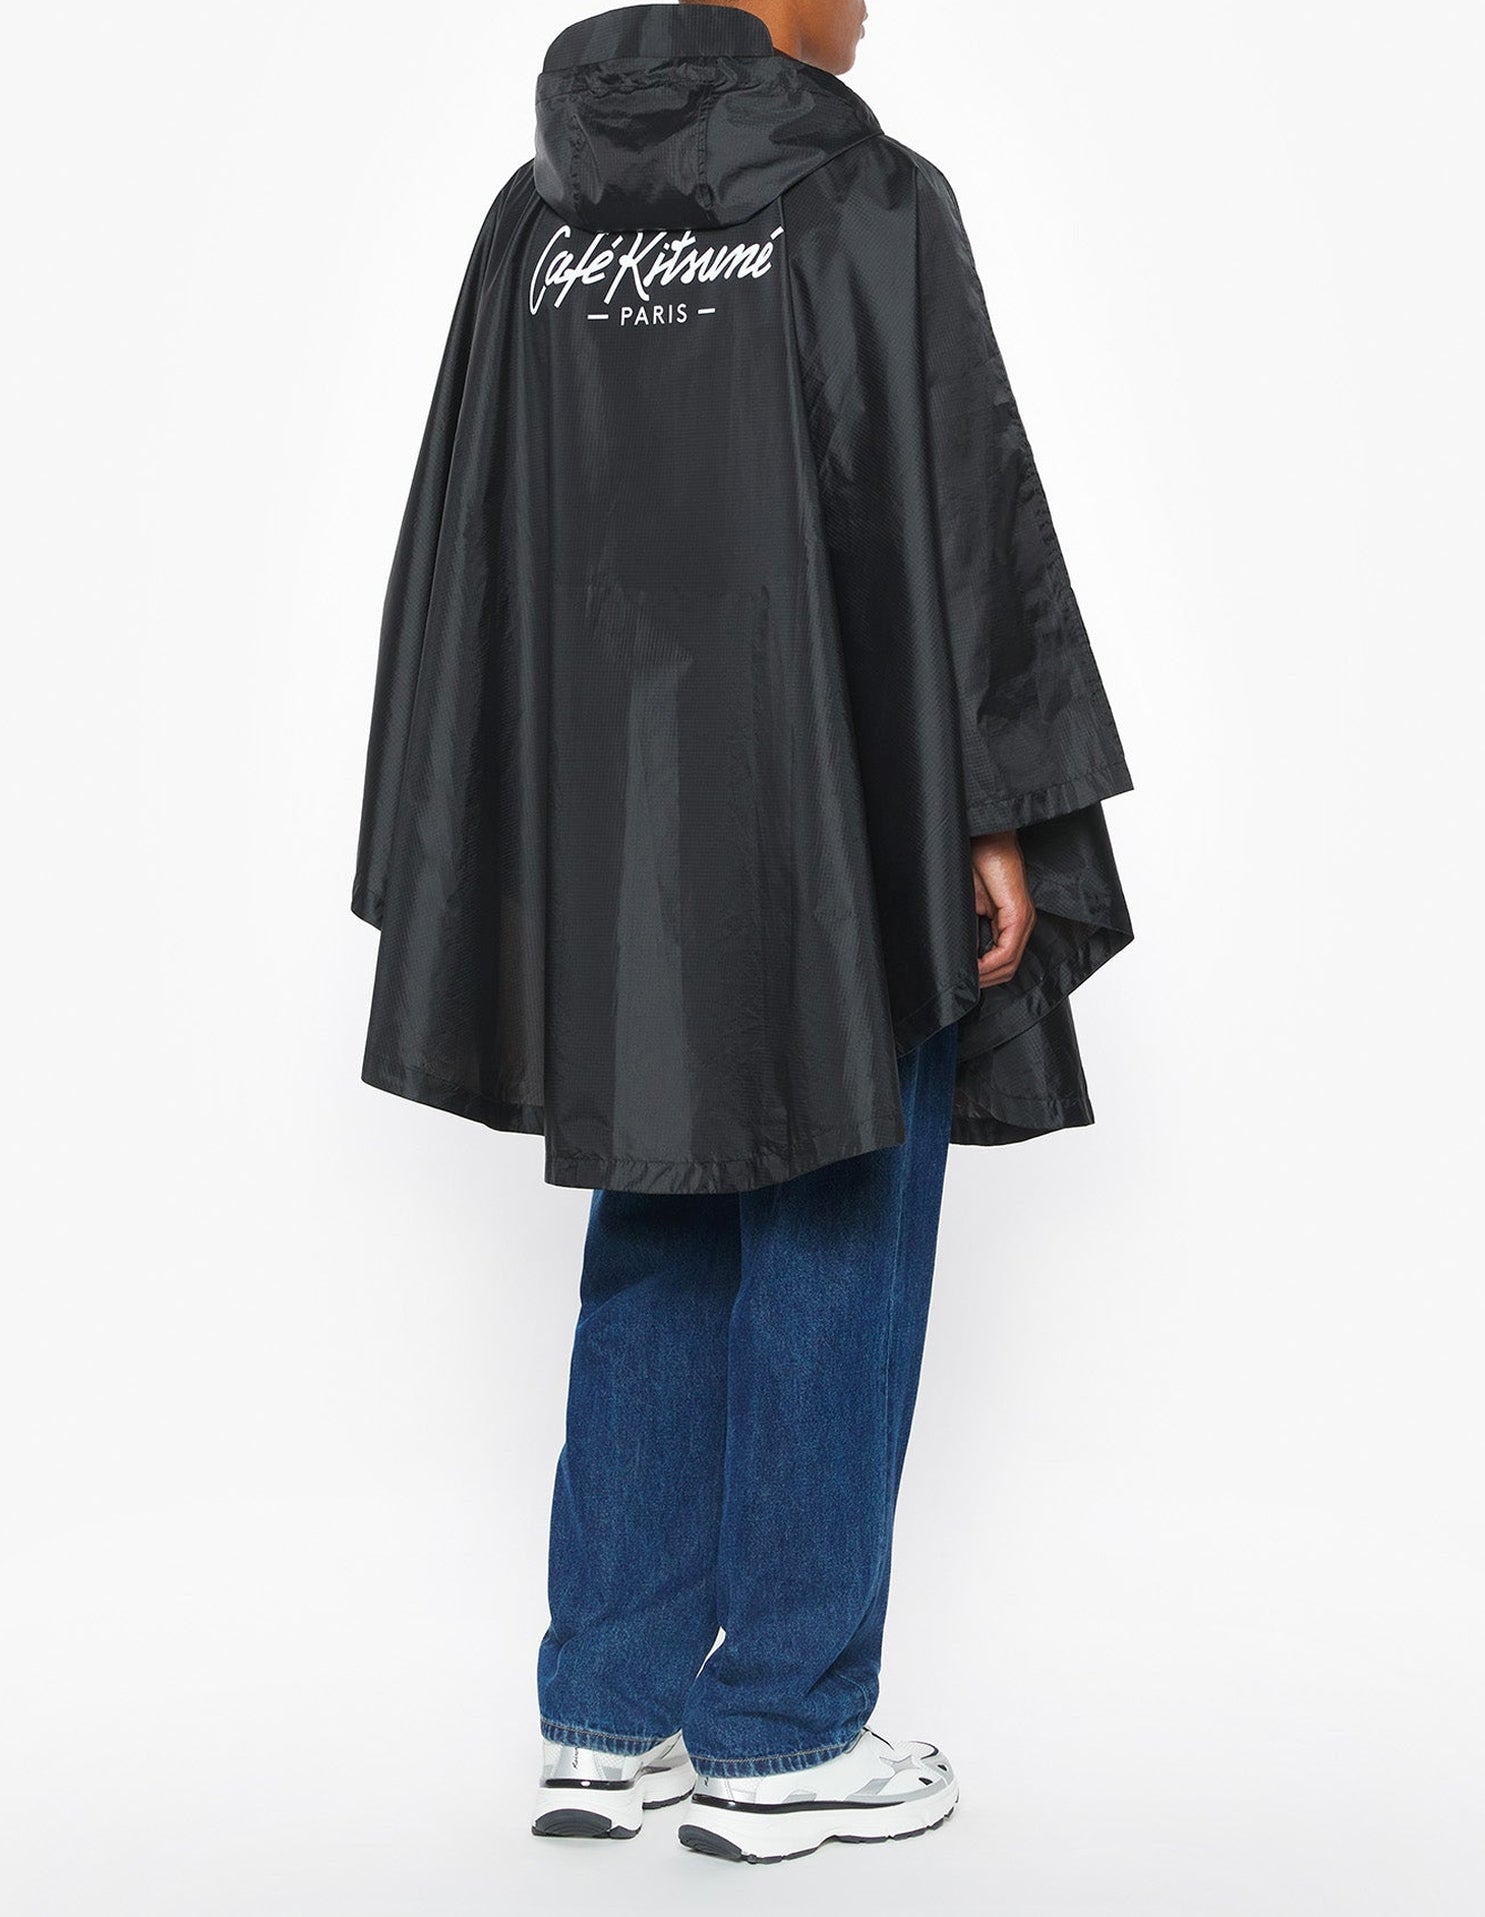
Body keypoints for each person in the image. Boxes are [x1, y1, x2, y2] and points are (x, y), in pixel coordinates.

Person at [352, 0, 1133, 1866]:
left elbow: (481, 531)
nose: (875, 7)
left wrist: (512, 824)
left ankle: (605, 1712)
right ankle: (784, 1729)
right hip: (832, 814)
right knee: (833, 1221)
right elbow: (949, 521)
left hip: (614, 834)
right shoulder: (865, 197)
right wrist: (996, 808)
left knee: (656, 1217)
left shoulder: (538, 217)